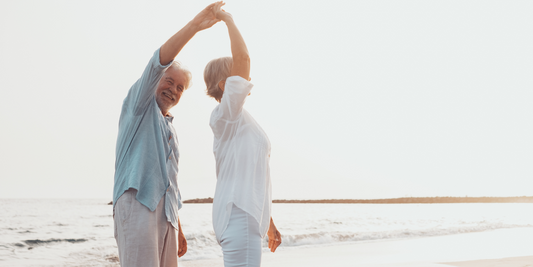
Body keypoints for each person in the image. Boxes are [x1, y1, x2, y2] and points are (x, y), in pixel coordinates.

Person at [112, 3, 220, 266]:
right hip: (137, 204)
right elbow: (158, 61)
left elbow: (169, 184)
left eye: (180, 87)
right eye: (169, 81)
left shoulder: (169, 127)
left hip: (167, 216)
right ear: (156, 80)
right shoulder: (139, 106)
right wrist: (195, 26)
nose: (173, 89)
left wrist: (178, 227)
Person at [204, 2, 282, 266]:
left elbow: (252, 176)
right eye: (240, 78)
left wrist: (268, 222)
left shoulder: (240, 121)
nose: (248, 82)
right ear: (226, 85)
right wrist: (228, 20)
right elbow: (244, 60)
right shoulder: (226, 116)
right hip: (238, 217)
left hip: (246, 217)